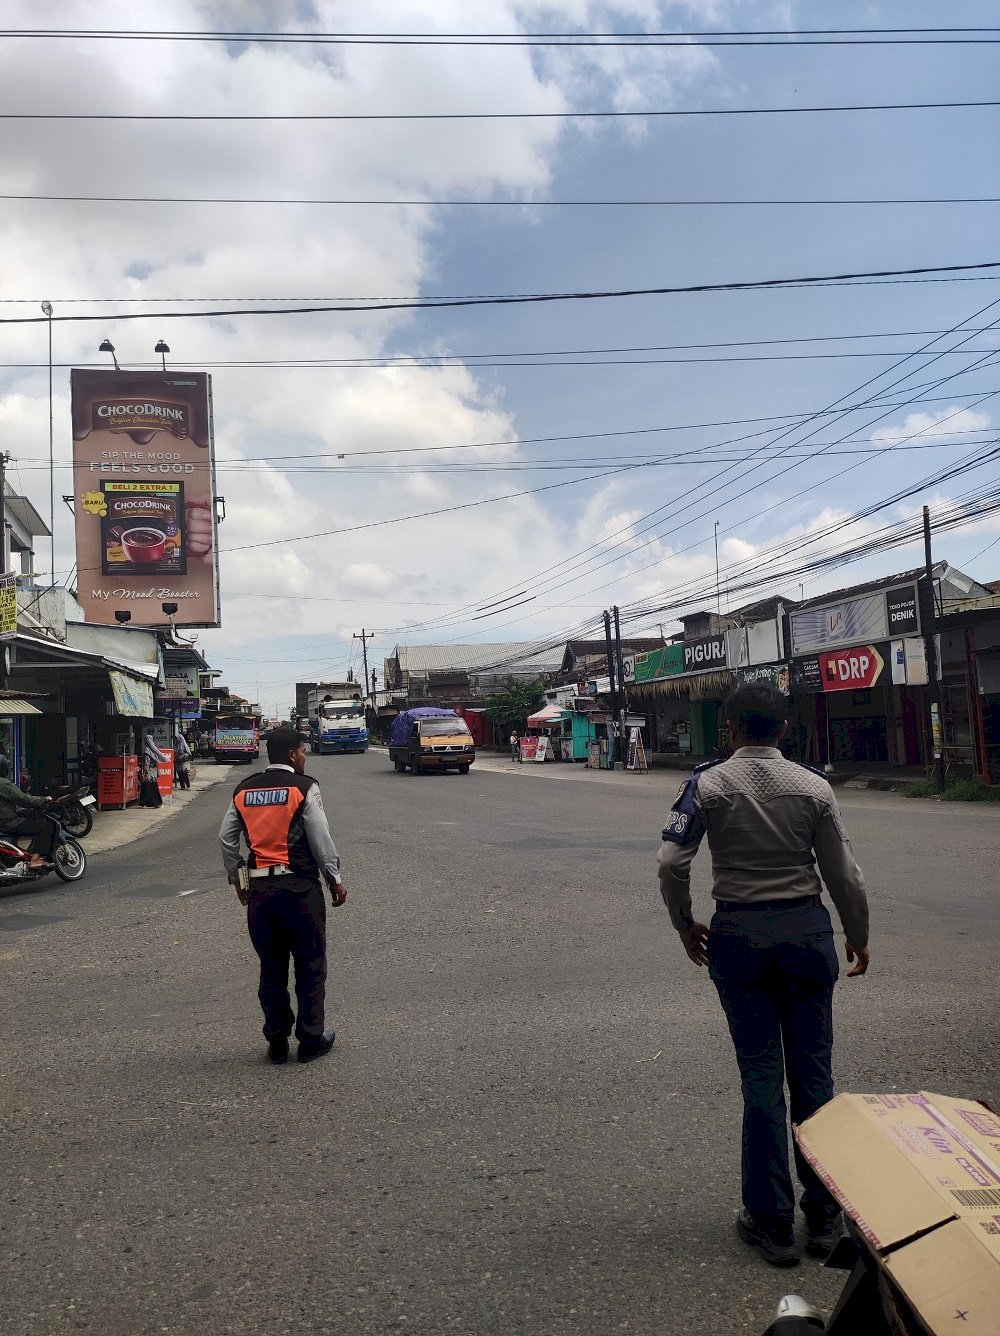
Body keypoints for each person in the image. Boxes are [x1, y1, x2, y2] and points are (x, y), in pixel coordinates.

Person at [657, 683, 870, 1269]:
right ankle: (825, 1219)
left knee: (760, 1077)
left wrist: (684, 924)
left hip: (740, 940)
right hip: (806, 936)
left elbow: (672, 860)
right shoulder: (813, 787)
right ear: (782, 730)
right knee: (814, 1077)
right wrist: (858, 933)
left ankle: (773, 1223)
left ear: (730, 729)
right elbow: (845, 876)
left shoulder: (708, 784)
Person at [218, 728, 348, 1065]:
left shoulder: (243, 790)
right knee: (310, 964)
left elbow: (227, 839)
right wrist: (334, 878)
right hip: (300, 889)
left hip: (261, 893)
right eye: (303, 751)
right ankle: (310, 1039)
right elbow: (320, 837)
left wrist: (238, 879)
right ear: (292, 755)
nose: (306, 756)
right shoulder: (305, 788)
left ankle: (276, 1040)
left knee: (271, 966)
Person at [0, 755, 55, 866]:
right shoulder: (4, 783)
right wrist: (43, 799)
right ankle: (35, 859)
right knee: (46, 827)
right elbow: (23, 799)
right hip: (8, 823)